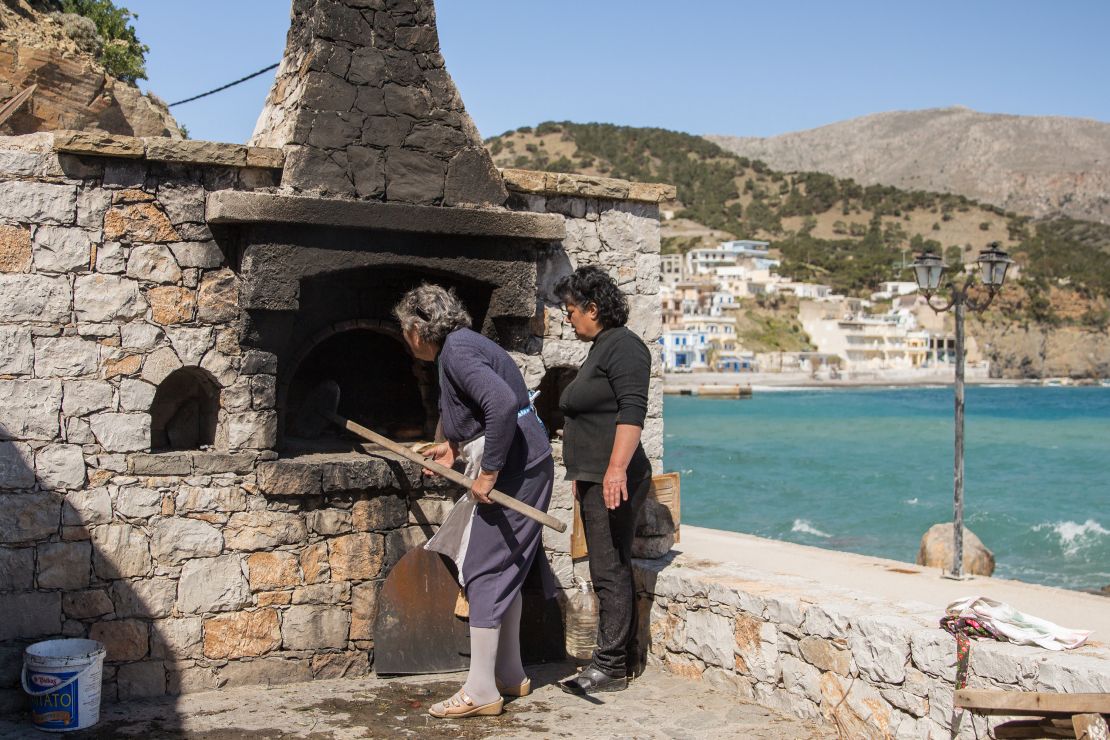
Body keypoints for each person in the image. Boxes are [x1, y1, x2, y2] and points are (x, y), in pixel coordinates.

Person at [393, 284, 553, 719]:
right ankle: (509, 672)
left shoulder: (457, 352)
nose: (405, 340)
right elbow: (467, 405)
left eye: (404, 331)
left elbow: (500, 404)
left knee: (484, 569)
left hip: (517, 466)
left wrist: (488, 473)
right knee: (507, 567)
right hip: (528, 459)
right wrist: (449, 446)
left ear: (417, 328)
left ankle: (481, 690)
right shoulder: (460, 348)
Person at [554, 265, 652, 695]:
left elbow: (633, 413)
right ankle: (613, 659)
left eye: (572, 310)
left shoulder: (625, 348)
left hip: (616, 478)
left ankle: (611, 666)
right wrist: (583, 475)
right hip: (595, 478)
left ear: (593, 308)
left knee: (609, 568)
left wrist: (614, 470)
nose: (568, 318)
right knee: (604, 567)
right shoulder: (601, 347)